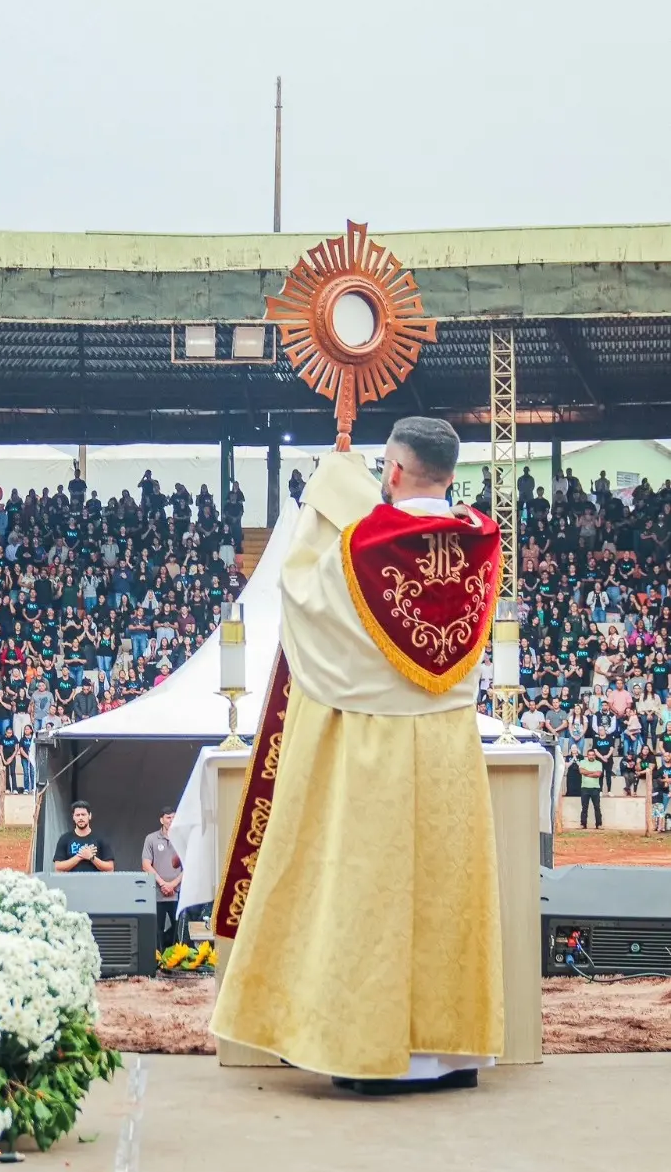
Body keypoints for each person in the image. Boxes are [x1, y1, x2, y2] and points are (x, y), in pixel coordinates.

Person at [212, 417, 502, 1095]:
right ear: (450, 474)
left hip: (374, 750)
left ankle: (372, 1055)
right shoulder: (484, 540)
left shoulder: (360, 547)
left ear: (392, 472)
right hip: (450, 749)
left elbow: (303, 592)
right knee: (445, 895)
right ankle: (452, 1054)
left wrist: (332, 483)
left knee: (374, 894)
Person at [142, 805, 183, 945]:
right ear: (161, 820)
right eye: (168, 817)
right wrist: (163, 884)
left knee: (178, 932)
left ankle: (177, 957)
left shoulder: (182, 839)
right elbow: (146, 865)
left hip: (177, 894)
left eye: (174, 817)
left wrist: (173, 884)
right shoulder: (151, 838)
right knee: (156, 931)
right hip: (157, 894)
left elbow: (188, 866)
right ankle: (158, 957)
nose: (171, 820)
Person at [52, 800, 114, 872]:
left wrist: (91, 857)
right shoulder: (65, 839)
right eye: (77, 815)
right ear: (73, 817)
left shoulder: (100, 839)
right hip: (72, 879)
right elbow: (58, 867)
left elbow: (110, 867)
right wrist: (80, 856)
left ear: (89, 816)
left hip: (94, 879)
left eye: (83, 814)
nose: (80, 818)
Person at [578, 746, 604, 829]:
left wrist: (587, 774)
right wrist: (593, 772)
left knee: (597, 807)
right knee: (584, 807)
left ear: (595, 756)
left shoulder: (599, 763)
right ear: (587, 755)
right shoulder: (583, 762)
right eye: (589, 755)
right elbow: (581, 771)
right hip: (585, 787)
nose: (591, 756)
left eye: (592, 755)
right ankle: (583, 824)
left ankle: (599, 824)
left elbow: (598, 774)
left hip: (595, 788)